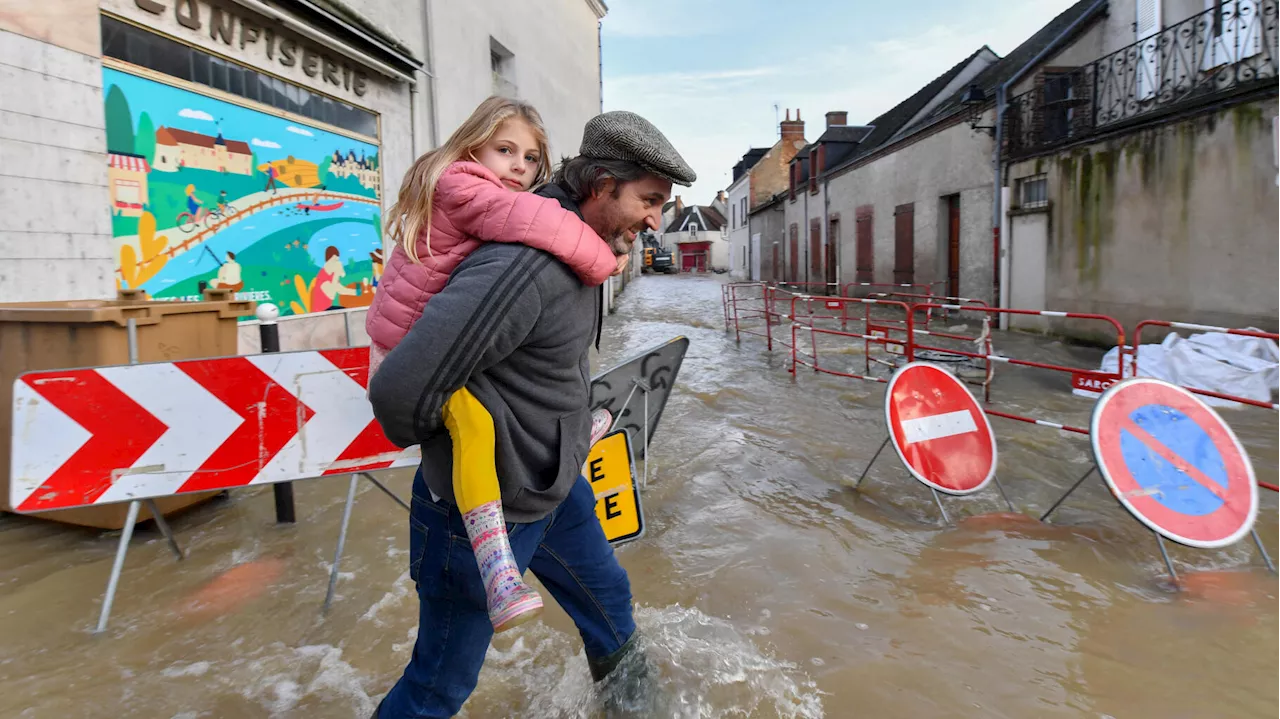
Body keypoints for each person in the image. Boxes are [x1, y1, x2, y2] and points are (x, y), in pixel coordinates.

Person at [368, 109, 695, 718]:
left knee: (609, 605)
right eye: (649, 200)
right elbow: (399, 394)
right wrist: (479, 449)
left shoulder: (578, 247)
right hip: (483, 510)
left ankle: (636, 711)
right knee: (439, 686)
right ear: (601, 185)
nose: (656, 221)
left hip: (556, 487)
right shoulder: (528, 267)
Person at [366, 96, 621, 634]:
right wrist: (603, 260)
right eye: (505, 151)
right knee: (475, 427)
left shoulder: (477, 196)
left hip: (548, 478)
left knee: (610, 603)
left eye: (530, 159)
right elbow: (535, 220)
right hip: (402, 344)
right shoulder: (465, 187)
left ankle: (573, 436)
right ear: (471, 146)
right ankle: (495, 568)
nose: (519, 169)